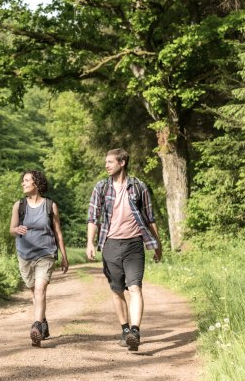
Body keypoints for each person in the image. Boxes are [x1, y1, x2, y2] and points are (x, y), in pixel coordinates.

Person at [86, 148, 162, 351]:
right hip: (110, 244)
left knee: (135, 287)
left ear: (122, 162)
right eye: (106, 162)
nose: (106, 165)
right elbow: (93, 217)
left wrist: (157, 244)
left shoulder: (139, 187)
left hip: (134, 244)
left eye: (110, 162)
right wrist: (90, 242)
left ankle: (135, 331)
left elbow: (150, 217)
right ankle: (125, 330)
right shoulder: (101, 187)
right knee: (117, 290)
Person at [10, 169, 69, 347]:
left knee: (39, 290)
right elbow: (11, 229)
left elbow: (58, 232)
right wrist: (16, 230)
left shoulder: (50, 205)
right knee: (34, 293)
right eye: (23, 180)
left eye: (27, 180)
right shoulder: (18, 206)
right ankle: (43, 322)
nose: (23, 183)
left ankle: (36, 326)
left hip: (45, 253)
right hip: (24, 254)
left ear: (36, 183)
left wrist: (64, 257)